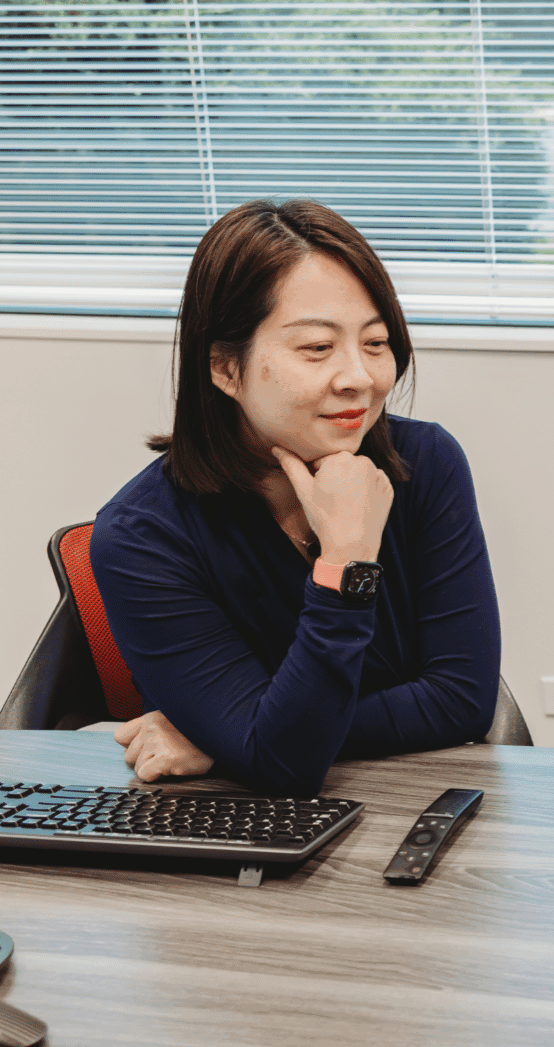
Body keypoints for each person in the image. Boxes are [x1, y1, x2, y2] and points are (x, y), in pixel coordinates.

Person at [90, 200, 500, 797]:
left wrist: (232, 738)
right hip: (242, 827)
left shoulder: (426, 463)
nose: (359, 377)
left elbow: (461, 700)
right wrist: (346, 564)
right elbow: (284, 767)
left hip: (424, 800)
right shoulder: (140, 538)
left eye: (376, 342)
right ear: (225, 368)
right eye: (316, 347)